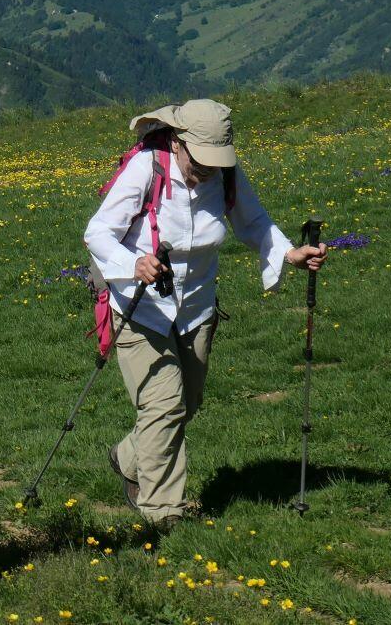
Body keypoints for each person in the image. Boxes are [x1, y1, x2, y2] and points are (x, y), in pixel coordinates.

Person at [83, 99, 328, 530]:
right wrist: (133, 264)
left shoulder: (225, 174)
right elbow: (98, 232)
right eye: (200, 163)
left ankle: (129, 457)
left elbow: (254, 221)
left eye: (215, 164)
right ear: (178, 143)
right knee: (164, 404)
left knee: (187, 403)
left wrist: (289, 253)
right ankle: (163, 517)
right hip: (140, 307)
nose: (207, 172)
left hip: (196, 307)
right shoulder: (146, 168)